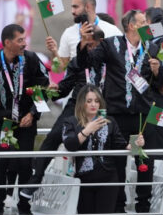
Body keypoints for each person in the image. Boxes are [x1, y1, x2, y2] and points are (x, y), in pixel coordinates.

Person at [76, 10, 163, 215]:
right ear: (132, 26)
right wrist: (83, 43)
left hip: (140, 119)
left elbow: (161, 84)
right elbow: (87, 62)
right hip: (117, 117)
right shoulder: (111, 44)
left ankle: (143, 210)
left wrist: (157, 71)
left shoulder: (151, 48)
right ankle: (117, 208)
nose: (148, 25)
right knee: (116, 163)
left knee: (143, 161)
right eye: (144, 22)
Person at [20, 28, 106, 199]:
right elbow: (64, 89)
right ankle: (35, 180)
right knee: (52, 138)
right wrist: (54, 90)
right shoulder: (78, 61)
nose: (87, 49)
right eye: (84, 44)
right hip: (76, 106)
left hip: (102, 108)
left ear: (101, 43)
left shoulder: (113, 61)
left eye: (91, 45)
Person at [0, 24, 49, 215]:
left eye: (24, 39)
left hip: (25, 121)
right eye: (20, 40)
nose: (24, 43)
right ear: (7, 43)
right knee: (0, 162)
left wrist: (33, 113)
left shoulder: (32, 60)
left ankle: (24, 206)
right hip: (1, 122)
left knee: (25, 163)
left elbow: (44, 87)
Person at [62, 85, 143, 215]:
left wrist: (135, 144)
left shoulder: (109, 122)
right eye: (89, 101)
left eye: (97, 101)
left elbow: (122, 144)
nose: (93, 104)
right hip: (83, 181)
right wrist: (87, 129)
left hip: (108, 179)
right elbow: (70, 144)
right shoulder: (71, 122)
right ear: (82, 103)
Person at [46, 0, 122, 71]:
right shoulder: (68, 32)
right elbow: (59, 69)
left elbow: (121, 62)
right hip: (77, 82)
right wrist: (54, 51)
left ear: (88, 7)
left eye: (76, 7)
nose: (72, 11)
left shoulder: (112, 30)